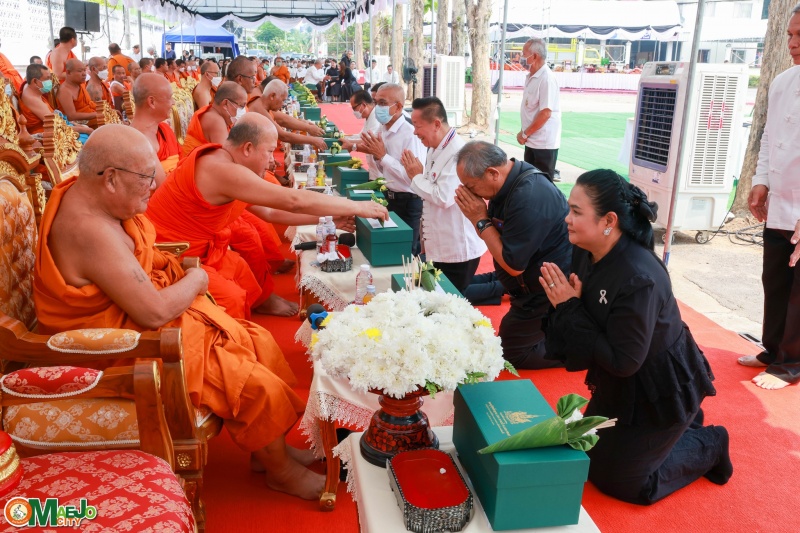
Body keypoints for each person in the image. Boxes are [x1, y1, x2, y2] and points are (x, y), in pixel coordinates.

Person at [34, 124, 326, 500]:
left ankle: (269, 451)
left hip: (139, 315)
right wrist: (197, 279)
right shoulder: (88, 230)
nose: (153, 188)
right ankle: (280, 472)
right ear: (110, 179)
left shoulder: (97, 199)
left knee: (257, 340)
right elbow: (154, 313)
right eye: (145, 178)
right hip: (116, 346)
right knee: (253, 384)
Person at [539, 169, 731, 504]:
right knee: (588, 453)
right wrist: (572, 307)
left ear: (608, 221)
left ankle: (710, 442)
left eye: (576, 212)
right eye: (569, 209)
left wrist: (571, 308)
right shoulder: (586, 249)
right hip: (621, 381)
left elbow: (624, 361)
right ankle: (681, 427)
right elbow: (590, 331)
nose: (567, 219)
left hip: (660, 385)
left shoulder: (638, 276)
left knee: (620, 481)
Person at [145, 113, 388, 319]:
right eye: (270, 151)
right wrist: (354, 206)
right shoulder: (222, 169)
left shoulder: (228, 162)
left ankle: (260, 304)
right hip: (170, 254)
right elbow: (293, 201)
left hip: (197, 246)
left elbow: (271, 212)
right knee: (232, 298)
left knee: (241, 269)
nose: (273, 160)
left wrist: (328, 219)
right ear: (248, 148)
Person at [454, 141, 570, 369]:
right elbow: (500, 241)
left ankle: (584, 349)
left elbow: (513, 265)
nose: (470, 193)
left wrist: (480, 219)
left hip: (547, 288)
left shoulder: (529, 197)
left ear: (492, 173)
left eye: (471, 186)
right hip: (524, 280)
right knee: (463, 285)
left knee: (512, 352)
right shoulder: (506, 185)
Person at [738, 6, 800, 390]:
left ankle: (790, 364)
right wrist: (760, 180)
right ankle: (773, 348)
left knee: (798, 292)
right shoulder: (782, 81)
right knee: (775, 279)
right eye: (791, 35)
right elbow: (769, 136)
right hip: (780, 200)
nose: (793, 43)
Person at [401, 97, 487, 294]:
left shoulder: (458, 152)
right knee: (435, 297)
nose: (414, 132)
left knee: (448, 301)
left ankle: (500, 289)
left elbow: (443, 197)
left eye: (417, 126)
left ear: (436, 124)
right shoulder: (435, 148)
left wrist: (416, 177)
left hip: (456, 249)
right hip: (438, 246)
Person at [359, 83, 426, 256]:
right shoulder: (382, 129)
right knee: (390, 250)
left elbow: (413, 178)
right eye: (376, 102)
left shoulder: (410, 134)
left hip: (409, 201)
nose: (378, 108)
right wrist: (378, 157)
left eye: (383, 103)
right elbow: (384, 170)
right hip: (389, 197)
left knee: (406, 254)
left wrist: (383, 156)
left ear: (398, 107)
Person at [516, 38, 562, 182]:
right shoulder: (531, 76)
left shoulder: (546, 78)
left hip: (543, 143)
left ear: (534, 56)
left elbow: (545, 113)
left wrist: (525, 133)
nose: (521, 58)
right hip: (531, 139)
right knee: (530, 181)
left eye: (524, 54)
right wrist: (525, 133)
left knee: (542, 184)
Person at [19, 64, 91, 139]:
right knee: (87, 137)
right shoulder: (32, 99)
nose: (50, 81)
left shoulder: (31, 88)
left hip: (55, 126)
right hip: (47, 134)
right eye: (47, 79)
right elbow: (55, 125)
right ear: (35, 81)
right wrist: (84, 130)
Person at [130, 74, 180, 175]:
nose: (173, 102)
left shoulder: (164, 129)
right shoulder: (137, 142)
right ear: (152, 102)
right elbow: (164, 184)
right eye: (170, 98)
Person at [182, 81, 246, 158]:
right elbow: (227, 156)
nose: (243, 110)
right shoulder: (215, 120)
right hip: (193, 163)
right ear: (225, 103)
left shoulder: (215, 113)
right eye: (241, 106)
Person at [342, 90, 381, 181]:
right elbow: (361, 136)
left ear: (363, 105)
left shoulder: (376, 117)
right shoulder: (369, 116)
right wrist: (345, 137)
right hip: (373, 169)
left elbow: (369, 141)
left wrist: (351, 144)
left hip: (380, 172)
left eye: (354, 108)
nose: (354, 112)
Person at [56, 59, 99, 124]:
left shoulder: (80, 85)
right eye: (80, 71)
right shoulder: (65, 91)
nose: (84, 74)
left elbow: (89, 104)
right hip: (80, 123)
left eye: (84, 70)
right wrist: (96, 114)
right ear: (68, 72)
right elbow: (71, 116)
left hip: (92, 116)